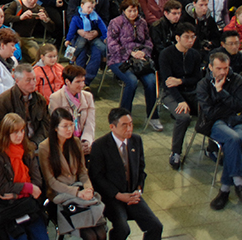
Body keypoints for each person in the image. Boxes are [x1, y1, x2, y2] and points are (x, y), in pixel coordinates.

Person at [89, 108, 163, 240]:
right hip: (112, 197)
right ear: (112, 127)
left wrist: (139, 190)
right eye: (124, 125)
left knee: (156, 226)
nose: (129, 128)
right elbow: (97, 177)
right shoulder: (100, 146)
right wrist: (117, 195)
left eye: (131, 124)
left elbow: (141, 168)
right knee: (123, 229)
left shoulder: (136, 140)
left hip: (132, 194)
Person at [37, 108, 107, 240]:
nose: (69, 129)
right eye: (65, 126)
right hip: (60, 194)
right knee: (90, 236)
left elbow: (82, 171)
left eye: (71, 125)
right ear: (56, 128)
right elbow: (51, 181)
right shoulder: (45, 147)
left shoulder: (75, 142)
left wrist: (88, 188)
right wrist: (77, 192)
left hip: (79, 188)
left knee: (101, 233)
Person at [198, 52, 242, 209]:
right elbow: (210, 113)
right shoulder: (203, 84)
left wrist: (221, 92)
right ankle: (239, 183)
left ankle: (225, 190)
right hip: (218, 124)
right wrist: (230, 106)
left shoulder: (237, 80)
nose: (223, 72)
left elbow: (238, 106)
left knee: (232, 141)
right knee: (234, 139)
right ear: (210, 67)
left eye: (226, 68)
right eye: (219, 68)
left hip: (239, 123)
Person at [0, 113, 50, 240]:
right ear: (6, 134)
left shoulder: (27, 149)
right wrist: (28, 188)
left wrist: (19, 194)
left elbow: (37, 182)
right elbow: (2, 188)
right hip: (9, 208)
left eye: (22, 131)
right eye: (15, 132)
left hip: (28, 204)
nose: (20, 135)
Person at [106, 0, 160, 129]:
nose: (132, 13)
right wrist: (130, 53)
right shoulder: (116, 22)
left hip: (140, 59)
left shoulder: (142, 22)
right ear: (123, 11)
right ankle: (123, 117)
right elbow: (112, 45)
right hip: (119, 59)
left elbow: (148, 41)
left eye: (135, 10)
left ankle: (153, 117)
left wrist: (143, 53)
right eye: (129, 10)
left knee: (151, 82)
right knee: (132, 81)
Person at [159, 23, 202, 169]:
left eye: (193, 37)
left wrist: (181, 81)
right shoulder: (166, 54)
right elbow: (168, 83)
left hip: (191, 91)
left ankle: (212, 148)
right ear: (178, 38)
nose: (190, 40)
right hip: (171, 94)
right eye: (187, 37)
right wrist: (180, 100)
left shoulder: (195, 54)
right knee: (184, 117)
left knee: (211, 109)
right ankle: (176, 152)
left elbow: (197, 78)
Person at [0, 63, 50, 146]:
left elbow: (45, 125)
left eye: (34, 79)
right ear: (17, 81)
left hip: (37, 143)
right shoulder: (3, 101)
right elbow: (0, 129)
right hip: (13, 144)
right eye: (28, 80)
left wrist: (35, 143)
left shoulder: (40, 100)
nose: (33, 83)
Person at [48, 66, 96, 154]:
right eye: (78, 82)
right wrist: (75, 144)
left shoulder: (88, 96)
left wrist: (86, 141)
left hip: (83, 140)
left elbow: (90, 122)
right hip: (65, 142)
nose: (82, 85)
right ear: (67, 82)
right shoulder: (56, 98)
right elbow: (58, 125)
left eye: (83, 81)